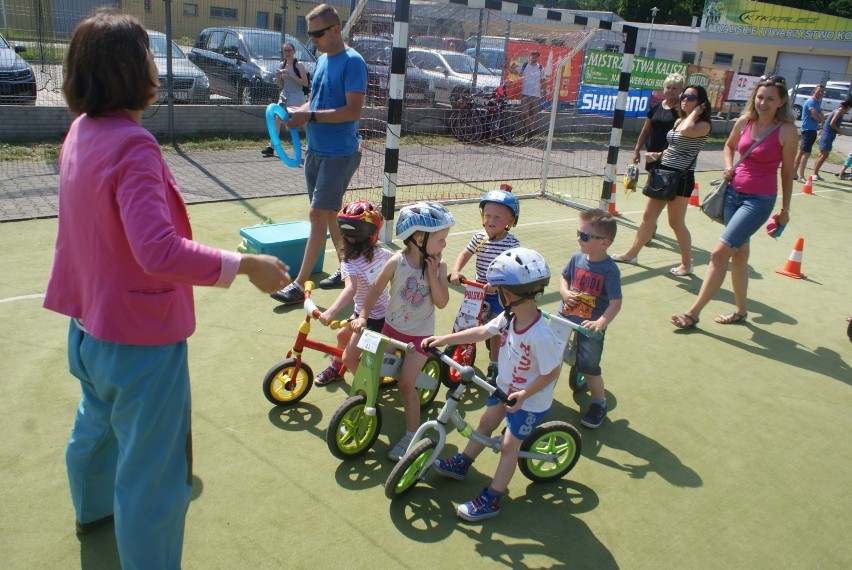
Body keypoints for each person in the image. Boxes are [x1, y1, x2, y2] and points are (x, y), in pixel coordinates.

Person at [44, 9, 289, 568]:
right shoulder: (134, 147)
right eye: (152, 55)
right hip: (139, 347)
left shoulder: (82, 131)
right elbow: (157, 252)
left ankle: (91, 509)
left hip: (87, 332)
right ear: (132, 69)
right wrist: (245, 265)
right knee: (152, 478)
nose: (159, 64)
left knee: (96, 429)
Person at [423, 247, 561, 521]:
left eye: (498, 290)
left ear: (509, 294)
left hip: (528, 402)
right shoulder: (509, 317)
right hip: (503, 389)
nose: (495, 294)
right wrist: (444, 339)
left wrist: (524, 394)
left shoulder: (540, 334)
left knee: (509, 447)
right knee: (486, 424)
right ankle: (463, 463)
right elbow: (483, 331)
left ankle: (493, 498)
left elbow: (552, 372)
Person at [671, 75, 798, 330]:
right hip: (732, 194)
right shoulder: (744, 122)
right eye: (760, 97)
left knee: (719, 253)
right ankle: (741, 312)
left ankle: (693, 313)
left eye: (770, 98)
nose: (763, 102)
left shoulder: (786, 130)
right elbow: (729, 147)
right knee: (739, 255)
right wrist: (729, 166)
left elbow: (786, 173)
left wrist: (784, 210)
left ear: (781, 101)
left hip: (759, 200)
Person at [271, 4, 368, 302]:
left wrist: (310, 116)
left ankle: (299, 284)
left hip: (338, 153)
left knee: (317, 214)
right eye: (309, 33)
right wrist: (295, 112)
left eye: (317, 33)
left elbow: (353, 109)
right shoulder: (324, 60)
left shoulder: (353, 62)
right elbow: (316, 100)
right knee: (327, 217)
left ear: (336, 30)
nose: (311, 39)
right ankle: (347, 267)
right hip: (316, 150)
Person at [351, 202, 455, 461]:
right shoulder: (397, 261)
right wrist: (363, 316)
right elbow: (375, 290)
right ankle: (364, 406)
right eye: (441, 239)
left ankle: (411, 436)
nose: (444, 244)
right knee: (369, 368)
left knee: (407, 385)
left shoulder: (440, 267)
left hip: (421, 337)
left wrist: (432, 274)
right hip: (391, 329)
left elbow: (441, 302)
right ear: (419, 239)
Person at [612, 85, 712, 276]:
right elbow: (673, 146)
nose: (685, 100)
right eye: (684, 96)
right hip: (663, 173)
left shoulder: (702, 125)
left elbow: (687, 131)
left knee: (676, 223)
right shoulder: (680, 120)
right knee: (648, 217)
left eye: (691, 97)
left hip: (680, 177)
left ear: (701, 103)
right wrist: (657, 155)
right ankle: (631, 254)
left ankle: (686, 264)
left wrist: (697, 112)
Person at [313, 201, 393, 386]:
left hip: (373, 320)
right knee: (342, 336)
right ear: (373, 235)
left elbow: (350, 289)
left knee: (350, 358)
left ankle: (368, 386)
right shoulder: (378, 255)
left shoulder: (379, 256)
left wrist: (331, 312)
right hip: (364, 315)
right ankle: (336, 368)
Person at [449, 186, 520, 384]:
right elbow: (465, 254)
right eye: (487, 215)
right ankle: (463, 352)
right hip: (477, 290)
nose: (491, 221)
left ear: (510, 221)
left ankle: (494, 364)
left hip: (498, 294)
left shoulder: (511, 244)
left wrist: (496, 284)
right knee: (468, 322)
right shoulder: (479, 238)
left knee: (494, 329)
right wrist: (456, 270)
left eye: (498, 217)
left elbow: (512, 268)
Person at [560, 210, 622, 428]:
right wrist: (565, 293)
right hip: (566, 317)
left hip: (590, 327)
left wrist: (600, 323)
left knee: (589, 367)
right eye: (579, 233)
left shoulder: (609, 269)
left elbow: (615, 301)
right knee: (549, 353)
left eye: (585, 236)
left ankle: (599, 402)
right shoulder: (576, 258)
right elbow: (564, 278)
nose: (579, 238)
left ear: (605, 242)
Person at [261, 42, 309, 158]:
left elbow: (305, 82)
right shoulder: (282, 64)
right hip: (285, 95)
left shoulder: (299, 65)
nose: (287, 53)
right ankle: (272, 147)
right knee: (277, 119)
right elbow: (280, 85)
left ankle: (311, 145)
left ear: (294, 51)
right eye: (285, 51)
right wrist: (278, 77)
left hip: (297, 95)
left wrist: (290, 74)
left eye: (289, 50)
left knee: (303, 122)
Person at [632, 73, 685, 171]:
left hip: (670, 156)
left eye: (674, 88)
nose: (670, 91)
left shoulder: (682, 110)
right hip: (652, 153)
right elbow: (646, 131)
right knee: (651, 181)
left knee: (664, 183)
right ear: (663, 88)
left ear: (681, 90)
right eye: (668, 87)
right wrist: (637, 150)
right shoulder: (656, 107)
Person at [812, 98, 851, 180]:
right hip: (827, 135)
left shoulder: (837, 111)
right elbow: (831, 123)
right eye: (850, 108)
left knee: (822, 155)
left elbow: (825, 117)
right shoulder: (839, 112)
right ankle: (815, 174)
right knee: (824, 155)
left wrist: (822, 128)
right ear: (847, 107)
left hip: (828, 135)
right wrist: (839, 130)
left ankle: (815, 173)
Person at [793, 84, 824, 183]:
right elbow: (815, 116)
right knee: (805, 153)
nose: (820, 93)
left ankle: (794, 173)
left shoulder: (817, 103)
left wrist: (820, 117)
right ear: (814, 91)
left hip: (812, 130)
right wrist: (819, 117)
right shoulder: (811, 101)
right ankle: (800, 176)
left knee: (803, 152)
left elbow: (821, 116)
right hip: (808, 130)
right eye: (818, 91)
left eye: (822, 91)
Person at [512, 50, 545, 139]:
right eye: (533, 55)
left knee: (533, 115)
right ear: (530, 56)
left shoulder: (541, 68)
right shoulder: (524, 65)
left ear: (538, 57)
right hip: (525, 93)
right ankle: (531, 129)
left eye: (536, 56)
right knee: (525, 112)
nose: (534, 57)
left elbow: (543, 81)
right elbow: (514, 70)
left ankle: (528, 133)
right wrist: (509, 65)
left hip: (536, 94)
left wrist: (544, 91)